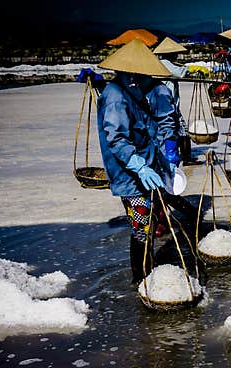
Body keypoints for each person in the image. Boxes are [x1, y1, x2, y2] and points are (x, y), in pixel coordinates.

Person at [96, 39, 179, 283]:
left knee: (149, 221)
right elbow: (117, 139)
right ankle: (141, 277)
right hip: (129, 172)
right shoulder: (116, 98)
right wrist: (139, 166)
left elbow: (160, 124)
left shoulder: (139, 91)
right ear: (130, 75)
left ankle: (147, 268)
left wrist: (169, 154)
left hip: (147, 161)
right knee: (141, 226)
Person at [152, 37, 193, 163]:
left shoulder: (160, 62)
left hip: (164, 103)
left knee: (177, 130)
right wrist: (189, 69)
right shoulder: (165, 63)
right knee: (180, 131)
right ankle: (183, 157)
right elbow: (180, 73)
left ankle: (178, 154)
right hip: (168, 104)